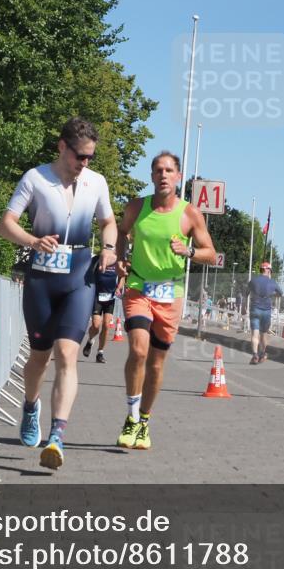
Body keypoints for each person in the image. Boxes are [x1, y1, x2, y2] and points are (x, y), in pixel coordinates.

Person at [0, 117, 117, 470]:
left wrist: (109, 247)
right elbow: (6, 224)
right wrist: (33, 241)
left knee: (67, 353)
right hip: (41, 280)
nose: (85, 164)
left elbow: (108, 222)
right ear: (62, 147)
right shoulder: (35, 178)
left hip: (80, 276)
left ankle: (57, 436)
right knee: (40, 358)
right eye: (80, 156)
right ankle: (31, 406)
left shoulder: (96, 183)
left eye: (90, 158)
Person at [115, 151, 216, 450]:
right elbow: (121, 232)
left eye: (169, 170)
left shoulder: (190, 214)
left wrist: (189, 252)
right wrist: (120, 259)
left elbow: (211, 253)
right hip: (138, 287)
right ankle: (131, 417)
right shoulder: (136, 207)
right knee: (138, 349)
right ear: (151, 176)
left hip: (170, 294)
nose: (163, 175)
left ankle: (144, 421)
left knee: (156, 365)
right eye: (158, 170)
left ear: (178, 177)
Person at [82, 264, 121, 364]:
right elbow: (87, 274)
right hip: (97, 297)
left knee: (106, 326)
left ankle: (100, 353)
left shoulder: (118, 261)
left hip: (110, 298)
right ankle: (90, 341)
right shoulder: (97, 260)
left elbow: (122, 276)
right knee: (96, 325)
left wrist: (119, 288)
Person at [247, 261, 284, 364]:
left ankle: (255, 354)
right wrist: (272, 294)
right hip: (266, 311)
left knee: (254, 334)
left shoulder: (253, 281)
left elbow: (246, 293)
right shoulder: (273, 282)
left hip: (255, 308)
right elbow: (280, 293)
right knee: (263, 334)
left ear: (261, 270)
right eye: (270, 270)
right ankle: (262, 353)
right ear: (268, 270)